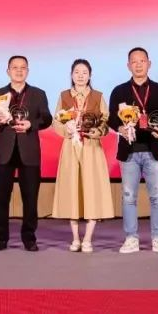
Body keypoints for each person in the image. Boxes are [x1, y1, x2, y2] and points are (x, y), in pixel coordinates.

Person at [107, 47, 158, 254]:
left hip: (154, 150)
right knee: (128, 197)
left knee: (157, 196)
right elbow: (111, 118)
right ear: (128, 65)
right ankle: (131, 238)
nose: (138, 65)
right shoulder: (119, 91)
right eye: (134, 61)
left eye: (142, 61)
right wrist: (119, 128)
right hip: (129, 152)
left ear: (149, 64)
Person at [0, 55, 53, 251]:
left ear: (27, 71)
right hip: (4, 151)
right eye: (15, 67)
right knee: (1, 199)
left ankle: (29, 239)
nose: (19, 71)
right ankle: (0, 239)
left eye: (23, 67)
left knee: (30, 199)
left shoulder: (38, 94)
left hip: (29, 151)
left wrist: (32, 124)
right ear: (8, 71)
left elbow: (47, 118)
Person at [51, 59, 113, 252]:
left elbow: (105, 120)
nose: (80, 75)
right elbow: (56, 121)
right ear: (71, 75)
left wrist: (98, 131)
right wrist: (68, 130)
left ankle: (87, 238)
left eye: (84, 72)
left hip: (91, 147)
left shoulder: (97, 96)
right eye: (77, 72)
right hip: (71, 146)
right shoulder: (64, 96)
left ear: (90, 75)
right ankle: (75, 238)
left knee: (91, 190)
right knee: (72, 190)